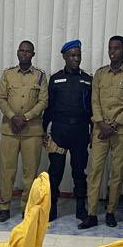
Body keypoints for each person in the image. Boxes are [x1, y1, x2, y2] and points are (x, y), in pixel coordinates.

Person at [80, 36, 123, 229]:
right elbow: (94, 101)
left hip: (120, 132)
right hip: (100, 130)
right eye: (110, 48)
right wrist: (101, 123)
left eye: (117, 48)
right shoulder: (100, 74)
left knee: (117, 173)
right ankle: (91, 213)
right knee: (95, 171)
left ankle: (110, 212)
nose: (112, 52)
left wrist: (113, 125)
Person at [0, 40, 48, 222]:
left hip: (31, 131)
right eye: (21, 51)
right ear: (17, 52)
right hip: (10, 130)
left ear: (33, 54)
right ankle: (4, 207)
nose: (24, 54)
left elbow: (43, 101)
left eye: (28, 51)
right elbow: (0, 98)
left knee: (30, 173)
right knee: (7, 171)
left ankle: (27, 208)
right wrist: (12, 116)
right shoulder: (8, 74)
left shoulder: (40, 76)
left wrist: (25, 117)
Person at [44, 39, 92, 222]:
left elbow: (92, 109)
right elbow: (48, 107)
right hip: (60, 131)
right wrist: (43, 129)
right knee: (55, 171)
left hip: (80, 131)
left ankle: (80, 207)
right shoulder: (55, 79)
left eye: (78, 55)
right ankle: (52, 207)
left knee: (79, 172)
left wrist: (93, 132)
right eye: (72, 55)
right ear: (64, 56)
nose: (76, 59)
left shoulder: (87, 80)